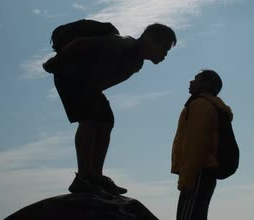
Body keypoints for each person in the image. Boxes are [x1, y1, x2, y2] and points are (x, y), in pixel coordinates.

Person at [43, 23, 176, 195]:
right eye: (164, 48)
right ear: (150, 40)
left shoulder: (137, 63)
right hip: (70, 76)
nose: (165, 54)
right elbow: (81, 43)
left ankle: (95, 176)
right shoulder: (122, 43)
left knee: (106, 120)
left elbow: (104, 75)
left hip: (89, 85)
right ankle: (83, 178)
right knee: (89, 119)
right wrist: (53, 63)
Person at [171, 70, 233, 220]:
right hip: (203, 172)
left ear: (207, 84)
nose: (191, 82)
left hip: (198, 172)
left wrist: (187, 179)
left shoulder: (201, 105)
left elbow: (196, 144)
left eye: (196, 78)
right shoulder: (208, 104)